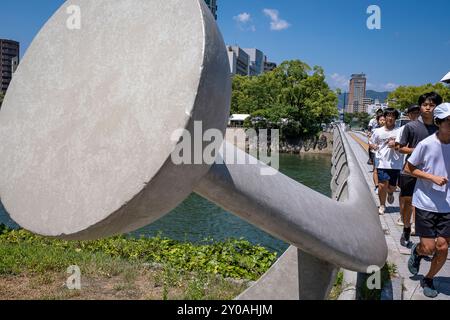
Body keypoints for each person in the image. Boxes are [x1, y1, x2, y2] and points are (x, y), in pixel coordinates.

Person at [406, 102, 450, 298]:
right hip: (426, 202)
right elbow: (409, 169)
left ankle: (429, 278)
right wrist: (432, 178)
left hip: (448, 204)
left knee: (442, 247)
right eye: (449, 120)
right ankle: (418, 251)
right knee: (429, 247)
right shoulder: (426, 144)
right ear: (439, 122)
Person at [398, 93, 442, 247]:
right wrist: (417, 150)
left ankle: (427, 238)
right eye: (425, 104)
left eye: (432, 105)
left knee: (429, 205)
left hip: (432, 173)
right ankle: (406, 227)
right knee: (407, 202)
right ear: (420, 106)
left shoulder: (441, 128)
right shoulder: (411, 126)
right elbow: (400, 148)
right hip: (410, 171)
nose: (428, 108)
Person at [370, 108, 404, 215]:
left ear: (395, 118)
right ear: (384, 117)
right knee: (382, 185)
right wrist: (373, 146)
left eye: (392, 116)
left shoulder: (400, 131)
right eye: (388, 116)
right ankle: (382, 205)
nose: (390, 118)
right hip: (382, 161)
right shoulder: (377, 131)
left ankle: (390, 193)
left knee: (392, 187)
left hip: (395, 163)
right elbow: (371, 142)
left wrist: (396, 145)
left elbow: (405, 145)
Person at [369, 114, 386, 194]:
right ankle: (377, 186)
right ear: (378, 121)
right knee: (375, 169)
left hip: (387, 155)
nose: (382, 121)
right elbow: (370, 141)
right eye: (381, 120)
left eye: (384, 120)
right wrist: (373, 146)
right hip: (376, 153)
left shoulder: (391, 130)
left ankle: (388, 188)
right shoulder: (375, 130)